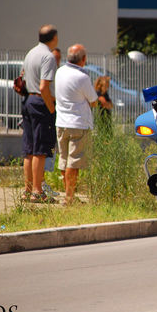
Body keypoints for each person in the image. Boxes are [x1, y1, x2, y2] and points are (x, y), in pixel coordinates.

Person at [55, 44, 98, 205]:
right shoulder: (82, 77)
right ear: (83, 59)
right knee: (74, 162)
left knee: (64, 160)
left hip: (61, 122)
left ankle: (68, 194)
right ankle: (69, 197)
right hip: (78, 123)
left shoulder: (59, 72)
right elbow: (93, 101)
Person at [21, 24, 58, 203]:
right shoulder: (48, 56)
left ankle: (27, 191)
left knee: (29, 150)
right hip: (40, 103)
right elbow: (44, 86)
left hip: (28, 101)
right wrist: (51, 107)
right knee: (40, 150)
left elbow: (23, 77)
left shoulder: (30, 53)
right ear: (54, 38)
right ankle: (37, 191)